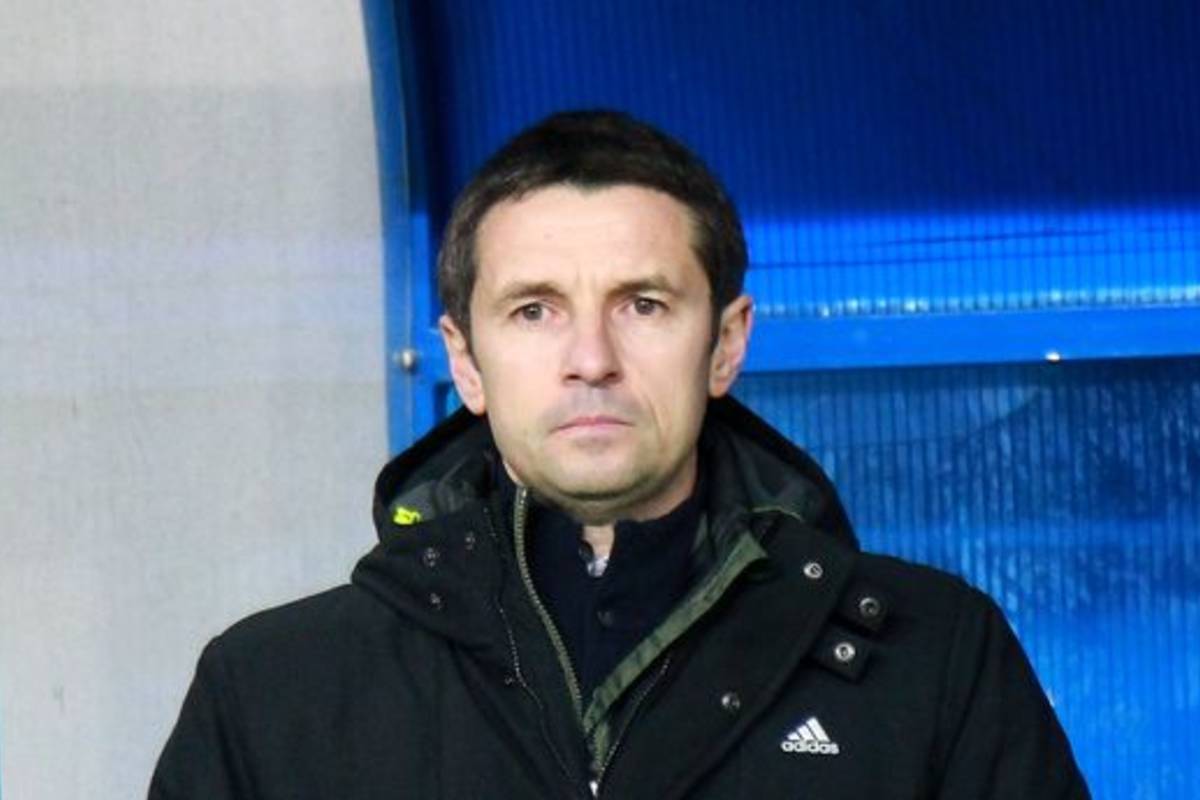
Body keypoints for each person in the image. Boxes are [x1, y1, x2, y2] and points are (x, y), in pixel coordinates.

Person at [151, 110, 1089, 799]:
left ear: (725, 344)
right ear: (464, 362)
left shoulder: (933, 657)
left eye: (643, 304)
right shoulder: (273, 690)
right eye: (534, 311)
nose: (591, 359)